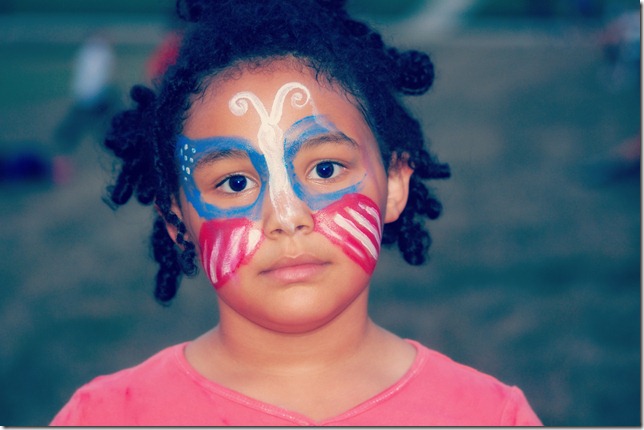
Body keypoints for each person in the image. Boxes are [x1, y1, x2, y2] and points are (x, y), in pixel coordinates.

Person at [50, 0, 542, 425]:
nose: (286, 217)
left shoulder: (489, 416)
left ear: (394, 183)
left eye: (325, 169)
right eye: (235, 183)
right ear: (177, 220)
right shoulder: (105, 417)